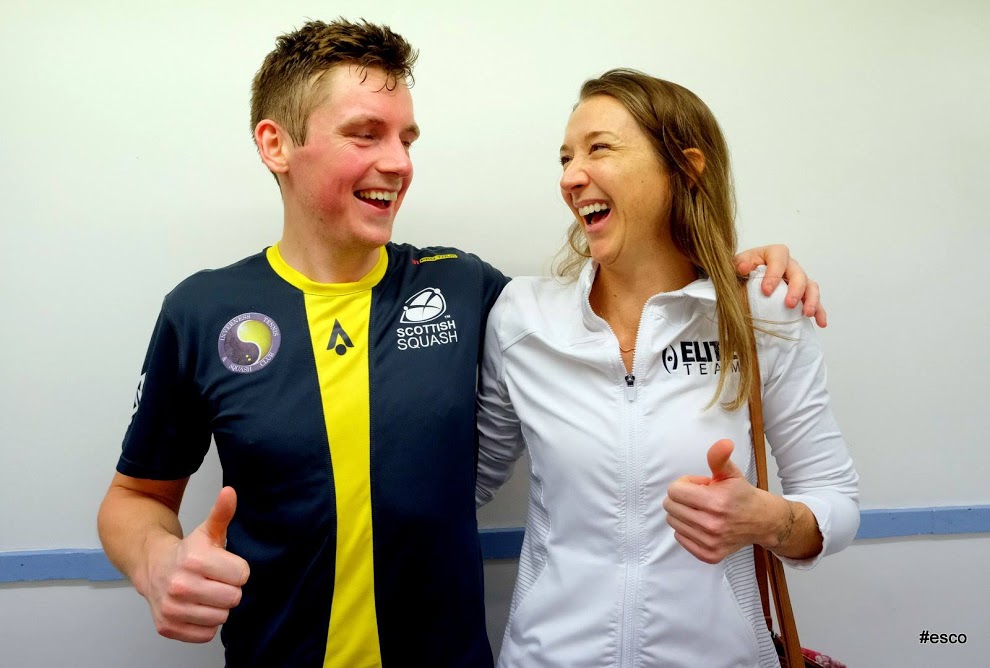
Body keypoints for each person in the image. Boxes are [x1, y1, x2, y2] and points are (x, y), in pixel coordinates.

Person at [96, 19, 825, 668]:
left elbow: (616, 299)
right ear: (275, 143)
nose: (399, 162)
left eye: (406, 138)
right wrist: (157, 561)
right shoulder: (204, 311)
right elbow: (134, 498)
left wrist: (728, 273)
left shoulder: (467, 290)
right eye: (365, 133)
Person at [475, 69, 859, 668]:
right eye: (566, 157)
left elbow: (835, 499)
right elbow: (462, 484)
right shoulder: (523, 319)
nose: (571, 176)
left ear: (686, 167)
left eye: (599, 147)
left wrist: (769, 519)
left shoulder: (763, 314)